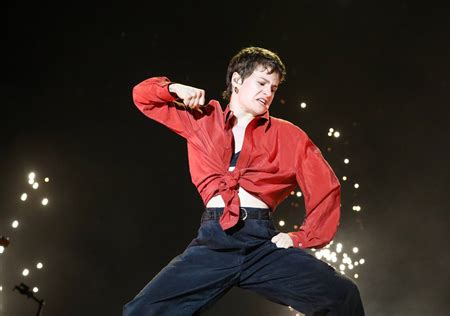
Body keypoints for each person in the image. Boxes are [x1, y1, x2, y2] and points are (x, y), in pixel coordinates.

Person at [123, 47, 365, 316]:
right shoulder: (202, 119)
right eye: (261, 83)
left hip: (262, 244)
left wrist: (301, 237)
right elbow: (142, 97)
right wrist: (174, 89)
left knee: (343, 295)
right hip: (214, 241)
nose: (268, 93)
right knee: (142, 310)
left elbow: (326, 187)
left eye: (273, 88)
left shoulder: (289, 136)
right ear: (237, 80)